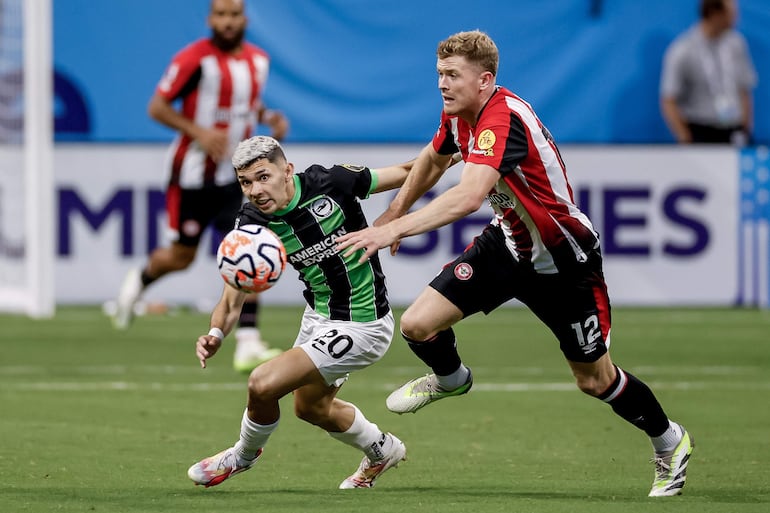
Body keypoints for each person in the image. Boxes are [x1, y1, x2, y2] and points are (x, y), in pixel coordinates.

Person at [336, 30, 694, 497]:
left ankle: (670, 441)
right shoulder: (458, 116)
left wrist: (390, 231)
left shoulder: (501, 118)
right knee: (419, 324)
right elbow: (432, 158)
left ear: (484, 80)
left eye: (453, 76)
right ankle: (451, 380)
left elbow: (466, 196)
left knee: (595, 379)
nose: (443, 85)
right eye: (439, 75)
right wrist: (395, 210)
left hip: (565, 262)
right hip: (508, 247)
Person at [187, 135, 412, 490]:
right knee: (310, 409)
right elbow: (233, 295)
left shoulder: (332, 183)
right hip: (318, 317)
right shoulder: (251, 224)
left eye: (264, 177)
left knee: (262, 383)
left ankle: (242, 456)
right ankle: (382, 449)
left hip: (363, 324)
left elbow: (407, 171)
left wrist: (463, 155)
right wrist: (216, 333)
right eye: (246, 182)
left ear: (287, 171)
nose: (255, 190)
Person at [112, 0, 288, 372]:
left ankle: (248, 341)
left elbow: (247, 104)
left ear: (244, 19)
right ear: (211, 20)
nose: (227, 21)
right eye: (220, 15)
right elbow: (157, 107)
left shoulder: (259, 60)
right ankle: (140, 279)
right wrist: (199, 132)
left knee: (253, 245)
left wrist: (268, 117)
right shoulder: (194, 59)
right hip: (192, 175)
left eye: (233, 14)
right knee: (181, 256)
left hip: (236, 176)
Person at [660, 0, 757, 145]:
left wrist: (746, 128)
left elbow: (744, 89)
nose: (736, 19)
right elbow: (668, 99)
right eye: (731, 14)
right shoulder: (683, 50)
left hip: (733, 129)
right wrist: (685, 138)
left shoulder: (736, 44)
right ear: (714, 14)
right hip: (700, 130)